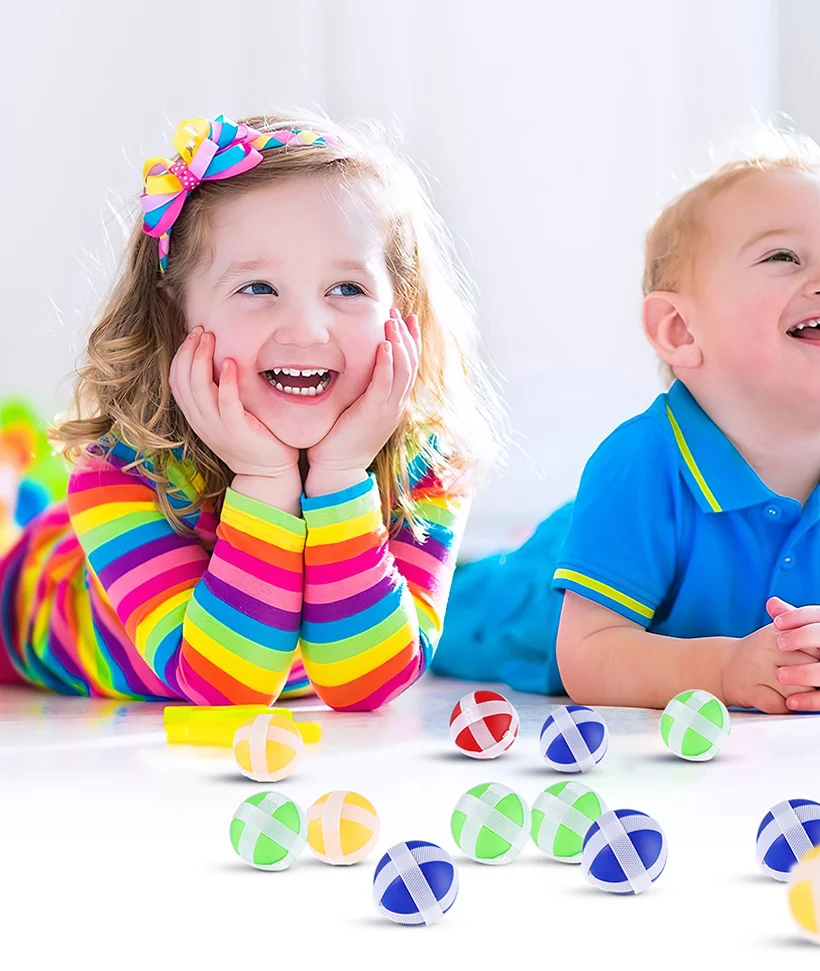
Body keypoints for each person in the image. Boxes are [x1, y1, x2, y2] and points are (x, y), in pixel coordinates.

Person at [433, 129, 820, 712]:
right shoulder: (643, 461)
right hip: (534, 595)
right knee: (449, 609)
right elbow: (589, 655)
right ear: (681, 330)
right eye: (784, 256)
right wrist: (723, 671)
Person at [0, 112, 501, 710]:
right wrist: (266, 482)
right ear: (174, 315)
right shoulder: (119, 474)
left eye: (347, 289)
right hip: (29, 593)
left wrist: (340, 477)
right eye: (258, 288)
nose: (307, 329)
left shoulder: (427, 468)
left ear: (402, 310)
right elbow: (225, 687)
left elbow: (368, 686)